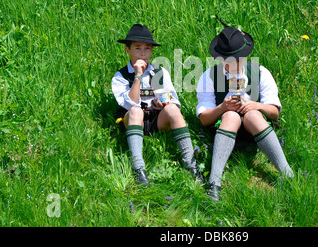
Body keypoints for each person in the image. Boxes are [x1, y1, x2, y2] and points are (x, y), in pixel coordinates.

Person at [196, 20, 294, 201]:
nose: (233, 63)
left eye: (238, 59)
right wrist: (222, 108)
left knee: (253, 114)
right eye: (227, 60)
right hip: (222, 128)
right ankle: (214, 182)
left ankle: (287, 173)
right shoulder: (209, 76)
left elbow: (274, 112)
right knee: (231, 116)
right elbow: (204, 118)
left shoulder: (260, 72)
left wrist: (256, 105)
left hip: (255, 129)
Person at [112, 24, 203, 187]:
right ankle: (139, 168)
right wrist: (138, 75)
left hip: (156, 119)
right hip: (133, 120)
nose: (143, 53)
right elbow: (130, 103)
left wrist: (163, 103)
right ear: (128, 50)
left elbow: (173, 99)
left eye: (147, 49)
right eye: (137, 48)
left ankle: (191, 164)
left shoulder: (159, 73)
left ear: (152, 51)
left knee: (173, 109)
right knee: (135, 110)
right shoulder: (121, 76)